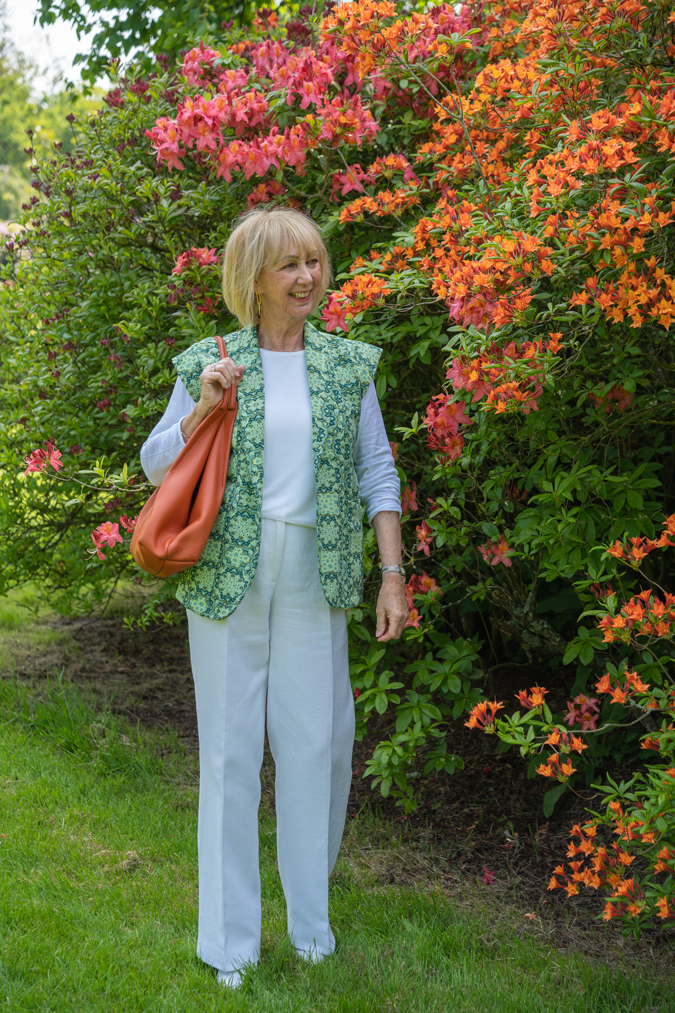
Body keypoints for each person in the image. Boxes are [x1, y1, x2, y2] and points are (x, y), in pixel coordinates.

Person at [140, 206, 408, 988]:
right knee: (228, 753)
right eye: (289, 264)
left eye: (315, 261)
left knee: (316, 746)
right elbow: (156, 465)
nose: (307, 277)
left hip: (313, 572)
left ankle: (311, 927)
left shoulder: (345, 364)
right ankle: (229, 943)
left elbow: (377, 473)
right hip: (227, 571)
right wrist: (201, 407)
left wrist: (392, 573)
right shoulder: (209, 359)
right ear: (252, 278)